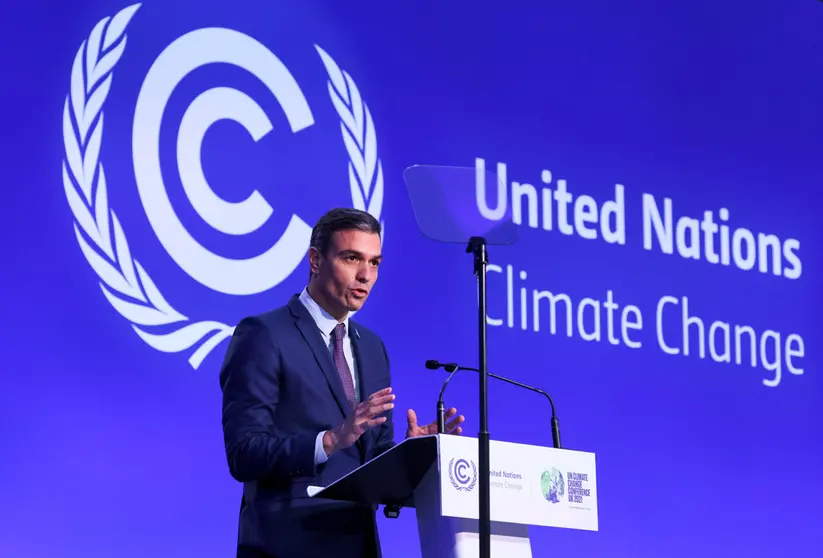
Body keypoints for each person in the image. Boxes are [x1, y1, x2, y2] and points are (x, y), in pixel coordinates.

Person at [219, 208, 465, 558]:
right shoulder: (264, 335)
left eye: (375, 262)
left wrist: (409, 454)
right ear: (316, 260)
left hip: (358, 544)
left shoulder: (373, 348)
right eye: (352, 258)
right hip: (286, 545)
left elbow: (371, 457)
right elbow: (243, 454)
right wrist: (330, 441)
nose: (365, 275)